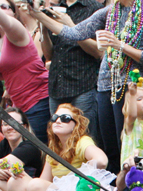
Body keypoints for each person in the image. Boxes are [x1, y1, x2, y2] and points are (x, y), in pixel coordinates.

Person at [31, 0, 143, 174]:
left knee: (126, 145)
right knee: (109, 147)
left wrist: (119, 45)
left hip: (129, 87)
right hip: (104, 86)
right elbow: (73, 33)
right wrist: (37, 14)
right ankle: (113, 186)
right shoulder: (109, 12)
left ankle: (132, 183)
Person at [26, 0, 104, 147]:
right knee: (58, 141)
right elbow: (49, 54)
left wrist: (70, 26)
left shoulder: (94, 8)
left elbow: (98, 51)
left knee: (84, 139)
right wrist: (43, 28)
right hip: (57, 86)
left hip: (83, 84)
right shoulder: (56, 7)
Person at [10, 104, 108, 191]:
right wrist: (22, 175)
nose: (58, 121)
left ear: (75, 125)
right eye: (55, 117)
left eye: (65, 118)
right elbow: (44, 181)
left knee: (35, 185)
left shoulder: (82, 141)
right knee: (14, 181)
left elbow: (102, 161)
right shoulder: (54, 148)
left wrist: (74, 178)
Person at [0, 0, 52, 143]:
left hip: (37, 98)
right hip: (19, 104)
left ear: (14, 12)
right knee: (24, 147)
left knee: (38, 147)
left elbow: (6, 22)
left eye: (4, 7)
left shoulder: (17, 30)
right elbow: (1, 74)